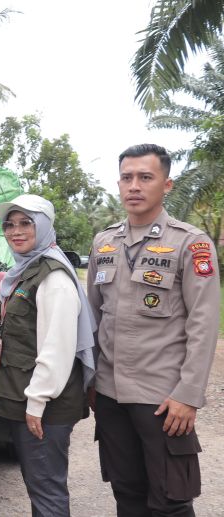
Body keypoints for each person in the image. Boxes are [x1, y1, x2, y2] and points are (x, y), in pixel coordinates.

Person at [88, 144, 220, 515]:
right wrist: (92, 379)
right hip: (111, 394)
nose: (134, 186)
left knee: (170, 501)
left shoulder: (190, 243)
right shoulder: (104, 241)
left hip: (162, 398)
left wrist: (188, 395)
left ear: (167, 184)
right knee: (126, 494)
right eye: (127, 177)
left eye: (145, 177)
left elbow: (204, 323)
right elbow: (95, 317)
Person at [0, 194, 96, 517]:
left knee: (47, 491)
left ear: (45, 226)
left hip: (45, 407)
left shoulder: (52, 277)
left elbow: (57, 348)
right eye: (10, 224)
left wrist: (37, 401)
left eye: (26, 223)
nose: (16, 231)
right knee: (41, 487)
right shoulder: (28, 270)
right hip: (33, 402)